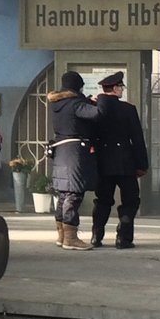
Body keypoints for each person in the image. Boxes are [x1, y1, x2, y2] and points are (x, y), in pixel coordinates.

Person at [47, 70, 105, 251]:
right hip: (74, 154)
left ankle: (61, 235)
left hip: (61, 151)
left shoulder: (57, 103)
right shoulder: (75, 103)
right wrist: (100, 100)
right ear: (78, 86)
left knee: (63, 194)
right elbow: (96, 114)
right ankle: (71, 238)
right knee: (74, 194)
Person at [91, 71, 149, 249]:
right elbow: (137, 139)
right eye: (121, 87)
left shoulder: (94, 108)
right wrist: (142, 165)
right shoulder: (128, 109)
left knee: (102, 200)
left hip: (103, 163)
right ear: (115, 89)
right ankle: (123, 237)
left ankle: (96, 236)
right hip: (125, 163)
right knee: (130, 201)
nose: (122, 90)